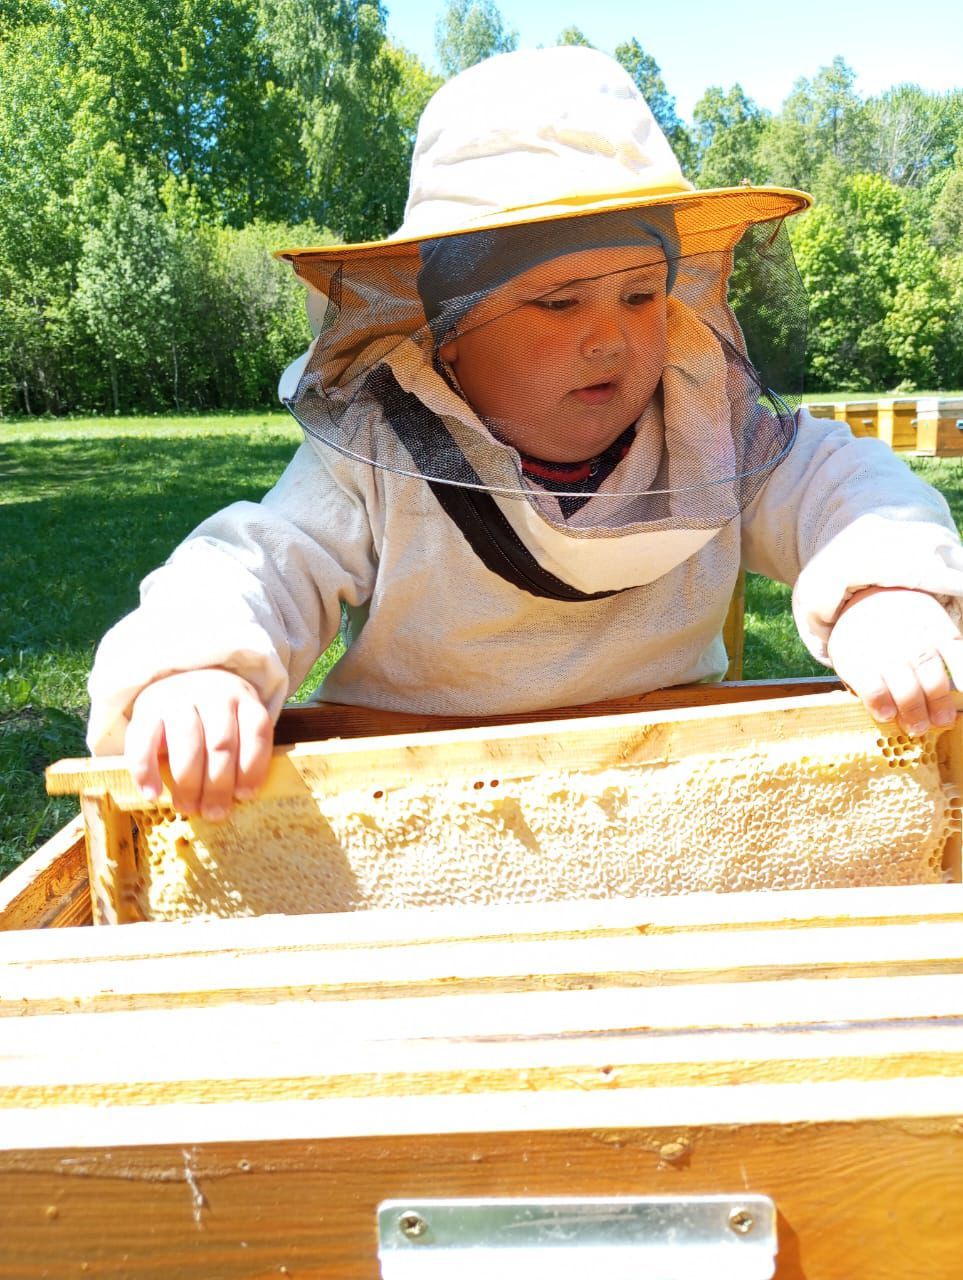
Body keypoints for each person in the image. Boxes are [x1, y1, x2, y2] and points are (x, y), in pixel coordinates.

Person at [88, 46, 963, 822]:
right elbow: (260, 559)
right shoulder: (383, 448)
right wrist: (197, 669)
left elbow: (846, 490)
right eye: (556, 302)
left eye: (638, 295)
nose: (609, 337)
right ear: (453, 329)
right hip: (411, 809)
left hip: (679, 805)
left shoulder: (712, 426)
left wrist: (884, 594)